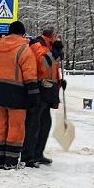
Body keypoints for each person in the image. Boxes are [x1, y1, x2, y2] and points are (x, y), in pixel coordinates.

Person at [0, 21, 39, 168]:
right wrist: (34, 97)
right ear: (23, 33)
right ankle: (11, 161)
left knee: (0, 125)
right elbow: (30, 75)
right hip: (17, 93)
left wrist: (0, 41)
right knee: (16, 127)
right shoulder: (25, 50)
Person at [23, 27, 59, 166]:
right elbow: (44, 64)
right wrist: (55, 51)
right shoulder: (38, 45)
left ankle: (37, 153)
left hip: (47, 91)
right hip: (39, 90)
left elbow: (51, 70)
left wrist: (59, 82)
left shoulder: (47, 46)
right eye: (56, 36)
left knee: (45, 124)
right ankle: (29, 155)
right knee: (34, 124)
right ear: (51, 36)